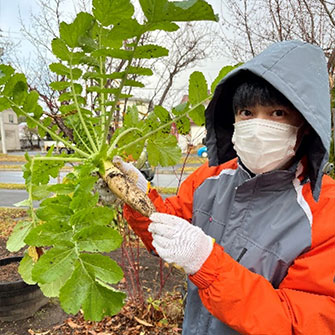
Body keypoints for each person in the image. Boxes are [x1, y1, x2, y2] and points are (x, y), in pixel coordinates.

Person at [115, 40, 335, 335]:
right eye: (246, 112)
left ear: (306, 123)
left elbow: (299, 323)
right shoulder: (211, 178)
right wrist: (136, 195)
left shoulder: (325, 213)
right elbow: (166, 229)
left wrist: (207, 264)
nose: (258, 127)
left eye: (277, 113)